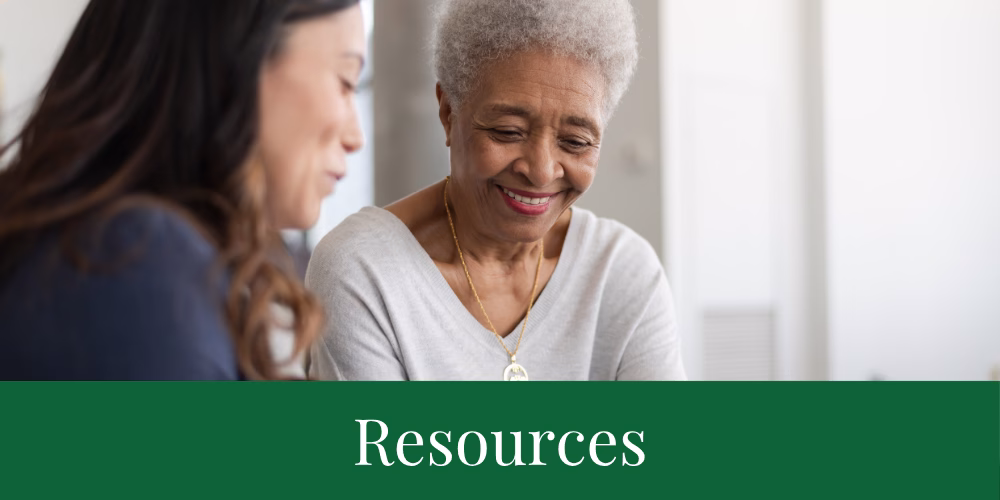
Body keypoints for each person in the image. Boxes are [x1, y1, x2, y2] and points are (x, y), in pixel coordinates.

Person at [307, 0, 686, 380]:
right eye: (507, 132)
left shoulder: (621, 272)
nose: (540, 172)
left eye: (575, 141)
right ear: (448, 112)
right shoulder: (366, 270)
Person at [0, 0, 366, 380]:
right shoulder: (133, 263)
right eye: (346, 81)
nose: (356, 136)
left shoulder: (114, 252)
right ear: (241, 55)